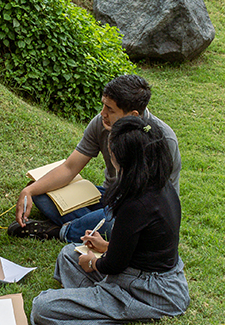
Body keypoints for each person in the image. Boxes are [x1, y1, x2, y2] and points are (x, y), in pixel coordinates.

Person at [30, 116, 189, 325]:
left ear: (121, 159)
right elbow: (140, 249)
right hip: (140, 272)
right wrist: (105, 246)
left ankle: (111, 304)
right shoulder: (158, 184)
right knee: (68, 255)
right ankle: (100, 301)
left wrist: (93, 264)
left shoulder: (137, 202)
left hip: (152, 290)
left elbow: (114, 265)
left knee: (43, 307)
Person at [10, 74, 180, 244]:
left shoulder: (161, 140)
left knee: (118, 221)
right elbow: (69, 168)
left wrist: (115, 140)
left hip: (142, 209)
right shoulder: (101, 123)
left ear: (133, 115)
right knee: (41, 191)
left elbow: (146, 203)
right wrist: (29, 192)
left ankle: (60, 230)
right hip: (110, 197)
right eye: (103, 106)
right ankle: (89, 226)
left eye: (110, 110)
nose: (102, 114)